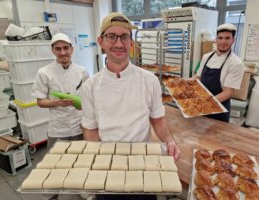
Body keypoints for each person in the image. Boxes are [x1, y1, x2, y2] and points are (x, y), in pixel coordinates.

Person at [80, 12, 181, 200]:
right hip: (109, 168)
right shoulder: (90, 87)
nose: (119, 44)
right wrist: (97, 160)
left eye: (124, 37)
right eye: (112, 37)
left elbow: (158, 120)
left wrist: (169, 141)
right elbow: (91, 130)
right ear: (101, 42)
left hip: (143, 165)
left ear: (131, 43)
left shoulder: (149, 81)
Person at [31, 33, 90, 200]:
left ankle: (82, 188)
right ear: (53, 51)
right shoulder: (44, 72)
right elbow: (40, 101)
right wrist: (57, 103)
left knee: (81, 160)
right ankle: (51, 192)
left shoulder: (82, 71)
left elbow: (88, 97)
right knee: (54, 162)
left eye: (66, 48)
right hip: (58, 126)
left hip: (79, 124)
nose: (63, 52)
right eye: (58, 49)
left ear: (72, 49)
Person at [193, 23, 244, 122]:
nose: (223, 41)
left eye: (227, 38)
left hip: (219, 109)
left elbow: (228, 92)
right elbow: (197, 77)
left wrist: (205, 103)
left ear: (233, 40)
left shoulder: (235, 63)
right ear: (216, 39)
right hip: (202, 104)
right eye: (220, 38)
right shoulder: (206, 57)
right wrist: (182, 83)